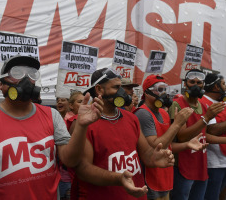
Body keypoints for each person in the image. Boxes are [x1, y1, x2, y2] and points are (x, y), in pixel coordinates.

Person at [0, 55, 104, 199]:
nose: (27, 79)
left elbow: (70, 160)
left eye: (32, 73)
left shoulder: (51, 115)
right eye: (17, 73)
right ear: (2, 84)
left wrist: (81, 126)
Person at [75, 68, 175, 200]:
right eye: (116, 87)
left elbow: (146, 154)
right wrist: (118, 178)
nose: (122, 92)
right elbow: (83, 170)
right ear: (99, 90)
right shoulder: (83, 124)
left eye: (121, 87)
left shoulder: (131, 118)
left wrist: (155, 158)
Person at [134, 74, 205, 200]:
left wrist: (187, 145)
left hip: (165, 175)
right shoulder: (143, 113)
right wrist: (177, 124)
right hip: (151, 176)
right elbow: (157, 146)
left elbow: (168, 145)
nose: (163, 93)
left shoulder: (163, 112)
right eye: (159, 89)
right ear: (147, 92)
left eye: (165, 89)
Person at [168, 69, 225, 200]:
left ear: (203, 85)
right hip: (183, 164)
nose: (195, 85)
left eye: (199, 82)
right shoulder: (178, 104)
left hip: (200, 162)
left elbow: (204, 135)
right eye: (192, 82)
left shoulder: (204, 106)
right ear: (185, 84)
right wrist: (205, 118)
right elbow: (181, 136)